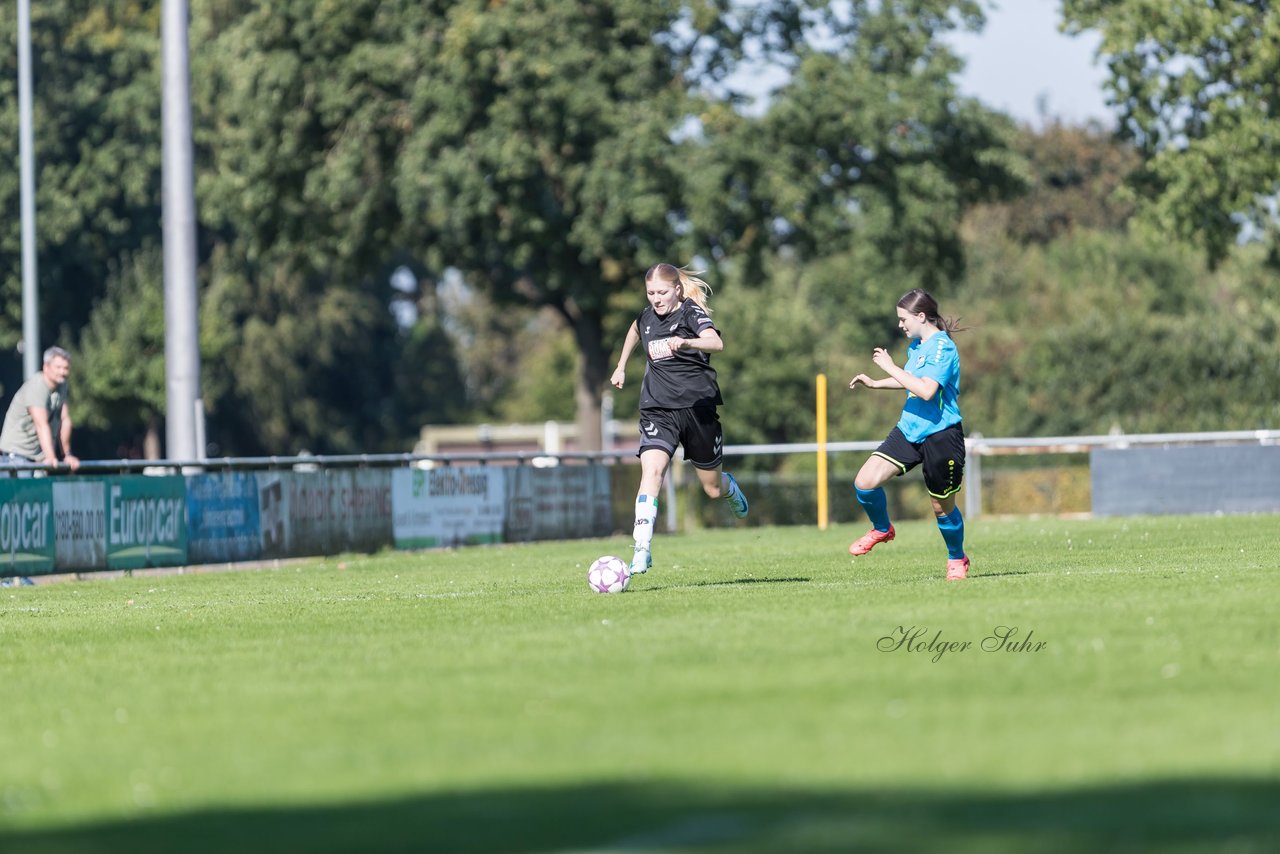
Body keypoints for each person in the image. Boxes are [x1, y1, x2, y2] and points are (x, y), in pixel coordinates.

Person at [610, 263, 749, 576]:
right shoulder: (646, 317)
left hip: (698, 408)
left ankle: (729, 488)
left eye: (662, 292)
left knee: (711, 489)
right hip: (658, 408)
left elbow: (717, 343)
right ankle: (641, 548)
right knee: (653, 470)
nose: (656, 299)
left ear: (676, 290)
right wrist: (621, 366)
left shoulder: (690, 313)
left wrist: (688, 342)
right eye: (650, 293)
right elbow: (634, 330)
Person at [846, 289, 970, 580]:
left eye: (903, 319)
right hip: (909, 429)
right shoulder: (916, 346)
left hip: (941, 434)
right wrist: (876, 383)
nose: (900, 325)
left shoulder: (943, 348)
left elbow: (926, 390)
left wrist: (890, 366)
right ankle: (882, 528)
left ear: (921, 316)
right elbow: (911, 380)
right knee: (864, 483)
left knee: (941, 506)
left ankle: (957, 558)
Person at [0, 345, 81, 473]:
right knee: (23, 493)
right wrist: (50, 457)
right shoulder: (37, 386)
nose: (63, 372)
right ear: (46, 367)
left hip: (37, 458)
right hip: (16, 457)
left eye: (66, 368)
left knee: (38, 493)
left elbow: (65, 419)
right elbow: (41, 424)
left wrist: (67, 455)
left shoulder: (62, 385)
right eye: (58, 367)